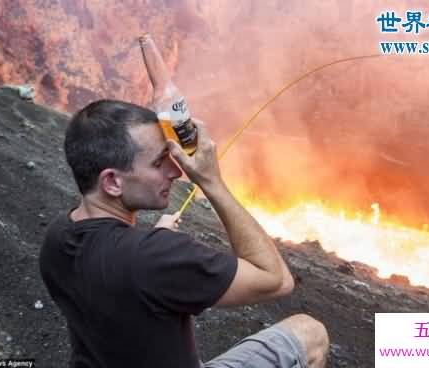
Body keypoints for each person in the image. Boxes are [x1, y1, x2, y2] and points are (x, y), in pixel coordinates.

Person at [39, 99, 329, 368]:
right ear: (112, 181)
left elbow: (122, 271)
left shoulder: (57, 236)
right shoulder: (155, 257)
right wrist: (211, 181)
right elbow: (275, 279)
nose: (176, 172)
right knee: (310, 333)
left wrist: (153, 240)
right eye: (159, 162)